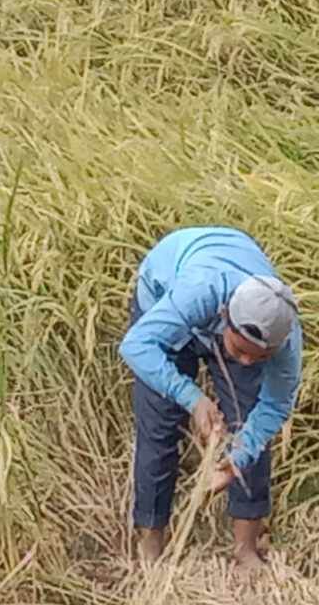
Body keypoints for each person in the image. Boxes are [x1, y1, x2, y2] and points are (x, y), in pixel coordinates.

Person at [119, 226, 302, 573]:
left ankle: (245, 549)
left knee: (247, 420)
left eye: (259, 358)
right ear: (224, 320)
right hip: (164, 297)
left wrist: (236, 459)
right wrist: (192, 397)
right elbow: (135, 346)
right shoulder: (199, 293)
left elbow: (274, 406)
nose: (246, 363)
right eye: (241, 352)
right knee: (158, 429)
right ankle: (151, 548)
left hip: (230, 302)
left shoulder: (285, 336)